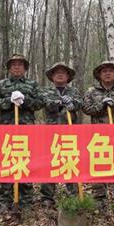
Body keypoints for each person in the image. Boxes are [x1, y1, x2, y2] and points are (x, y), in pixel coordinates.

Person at [0, 54, 44, 213]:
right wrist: (8, 102)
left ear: (25, 68)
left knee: (25, 163)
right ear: (9, 68)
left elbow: (40, 102)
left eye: (20, 65)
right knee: (7, 163)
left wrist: (25, 101)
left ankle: (26, 201)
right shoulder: (2, 84)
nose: (17, 67)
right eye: (14, 65)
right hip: (7, 130)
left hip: (26, 130)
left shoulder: (32, 84)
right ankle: (5, 200)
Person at [82, 61, 114, 212]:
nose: (107, 73)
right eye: (104, 71)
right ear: (99, 74)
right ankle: (99, 201)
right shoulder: (92, 91)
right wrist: (102, 105)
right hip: (99, 137)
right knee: (100, 166)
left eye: (110, 71)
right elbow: (86, 108)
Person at [39, 62, 83, 206]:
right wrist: (59, 102)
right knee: (49, 163)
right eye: (57, 72)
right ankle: (47, 197)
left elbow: (80, 103)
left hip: (70, 133)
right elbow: (46, 103)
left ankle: (73, 195)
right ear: (52, 76)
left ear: (68, 76)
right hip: (51, 132)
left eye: (63, 72)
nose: (60, 74)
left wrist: (72, 103)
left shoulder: (73, 91)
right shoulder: (47, 91)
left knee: (70, 162)